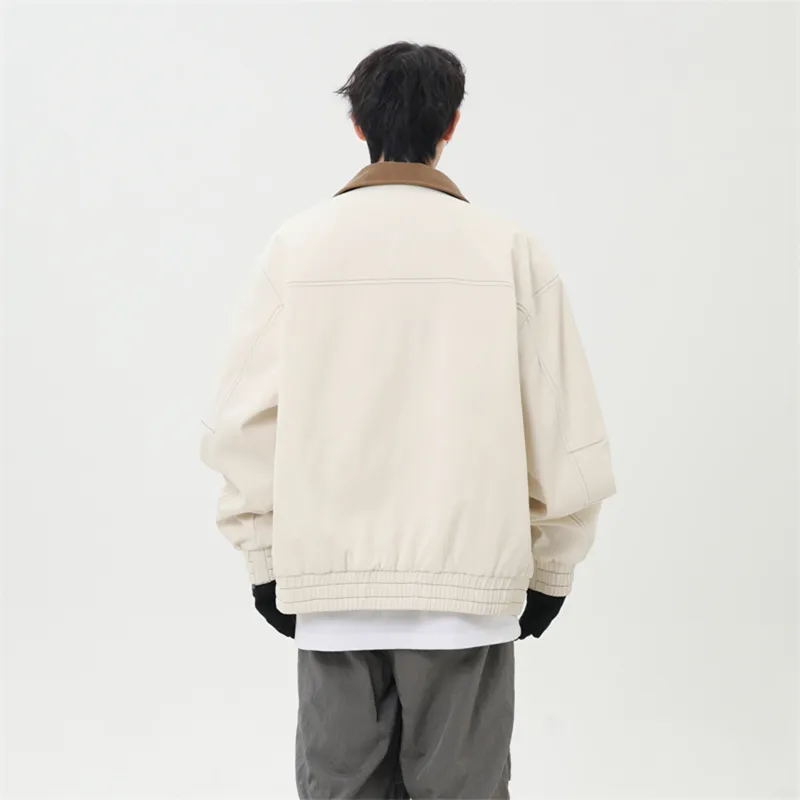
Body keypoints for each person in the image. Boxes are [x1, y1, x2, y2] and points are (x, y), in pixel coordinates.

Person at [200, 41, 616, 800]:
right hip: (468, 597)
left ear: (357, 125)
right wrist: (552, 566)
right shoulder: (509, 250)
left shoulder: (297, 248)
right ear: (451, 125)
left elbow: (242, 425)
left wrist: (263, 559)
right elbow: (565, 428)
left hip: (332, 596)